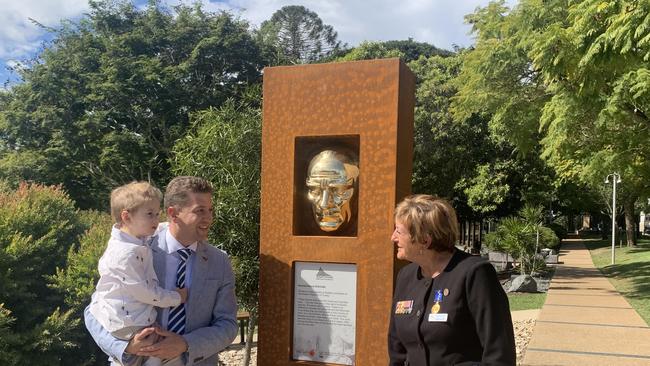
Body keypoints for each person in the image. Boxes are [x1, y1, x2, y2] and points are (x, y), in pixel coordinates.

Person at [85, 176, 238, 366]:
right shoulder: (135, 249)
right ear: (173, 214)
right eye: (200, 211)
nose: (209, 218)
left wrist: (185, 344)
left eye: (210, 210)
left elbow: (227, 325)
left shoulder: (220, 261)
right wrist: (125, 347)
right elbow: (94, 311)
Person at [388, 195, 515, 366]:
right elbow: (397, 350)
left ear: (425, 240)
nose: (393, 237)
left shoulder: (475, 273)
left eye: (399, 231)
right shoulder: (405, 276)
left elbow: (499, 353)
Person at [88, 182, 188, 365]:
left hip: (131, 318)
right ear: (126, 216)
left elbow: (158, 228)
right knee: (154, 353)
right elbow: (145, 292)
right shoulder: (125, 254)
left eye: (158, 214)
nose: (156, 220)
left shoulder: (134, 237)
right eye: (150, 214)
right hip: (129, 323)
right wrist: (176, 297)